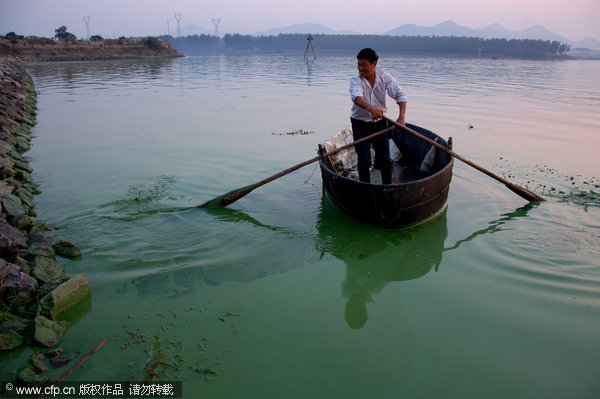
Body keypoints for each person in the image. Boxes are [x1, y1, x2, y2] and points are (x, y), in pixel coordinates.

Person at [349, 48, 407, 184]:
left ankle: (387, 188)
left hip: (380, 123)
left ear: (374, 64)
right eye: (358, 65)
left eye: (364, 65)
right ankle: (365, 190)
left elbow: (401, 95)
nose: (360, 69)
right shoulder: (356, 80)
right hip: (360, 124)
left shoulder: (385, 77)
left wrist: (401, 118)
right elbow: (356, 97)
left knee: (385, 160)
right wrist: (371, 109)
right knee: (364, 161)